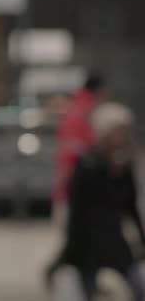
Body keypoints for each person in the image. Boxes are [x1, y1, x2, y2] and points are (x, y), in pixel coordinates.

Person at [46, 102, 145, 300]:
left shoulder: (123, 166)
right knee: (87, 292)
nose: (122, 137)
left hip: (115, 240)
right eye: (118, 131)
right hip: (88, 243)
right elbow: (77, 208)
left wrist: (142, 238)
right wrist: (72, 244)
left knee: (138, 288)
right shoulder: (87, 165)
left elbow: (130, 206)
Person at [51, 72, 106, 227]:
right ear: (99, 89)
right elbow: (95, 138)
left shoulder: (75, 105)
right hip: (83, 165)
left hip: (67, 165)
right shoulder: (90, 108)